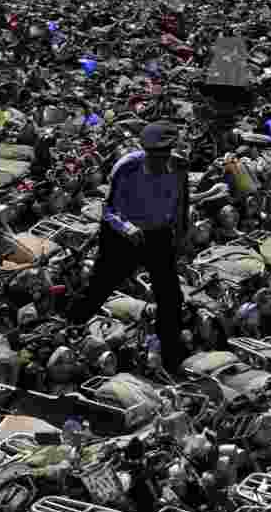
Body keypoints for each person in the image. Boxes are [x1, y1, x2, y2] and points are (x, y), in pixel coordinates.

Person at [68, 122, 189, 374]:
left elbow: (181, 206)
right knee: (100, 286)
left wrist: (180, 238)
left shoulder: (178, 168)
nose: (161, 161)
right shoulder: (127, 167)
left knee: (171, 297)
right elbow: (109, 210)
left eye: (166, 154)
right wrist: (127, 228)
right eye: (156, 156)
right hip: (122, 236)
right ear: (146, 152)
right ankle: (69, 329)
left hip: (159, 235)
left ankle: (170, 357)